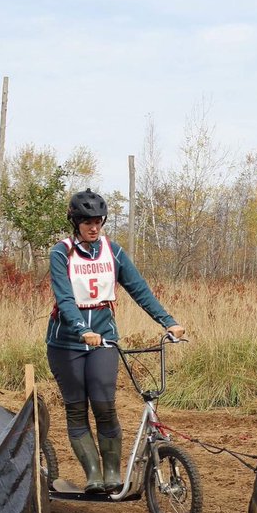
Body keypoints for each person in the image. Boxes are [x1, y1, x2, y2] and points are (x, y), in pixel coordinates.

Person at [47, 188, 185, 493]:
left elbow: (140, 290)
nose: (93, 227)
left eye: (98, 221)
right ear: (76, 223)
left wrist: (169, 321)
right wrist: (82, 329)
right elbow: (65, 299)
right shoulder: (61, 253)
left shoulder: (114, 252)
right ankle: (93, 474)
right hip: (66, 342)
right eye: (86, 222)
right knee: (77, 407)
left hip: (105, 340)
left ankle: (111, 473)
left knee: (104, 404)